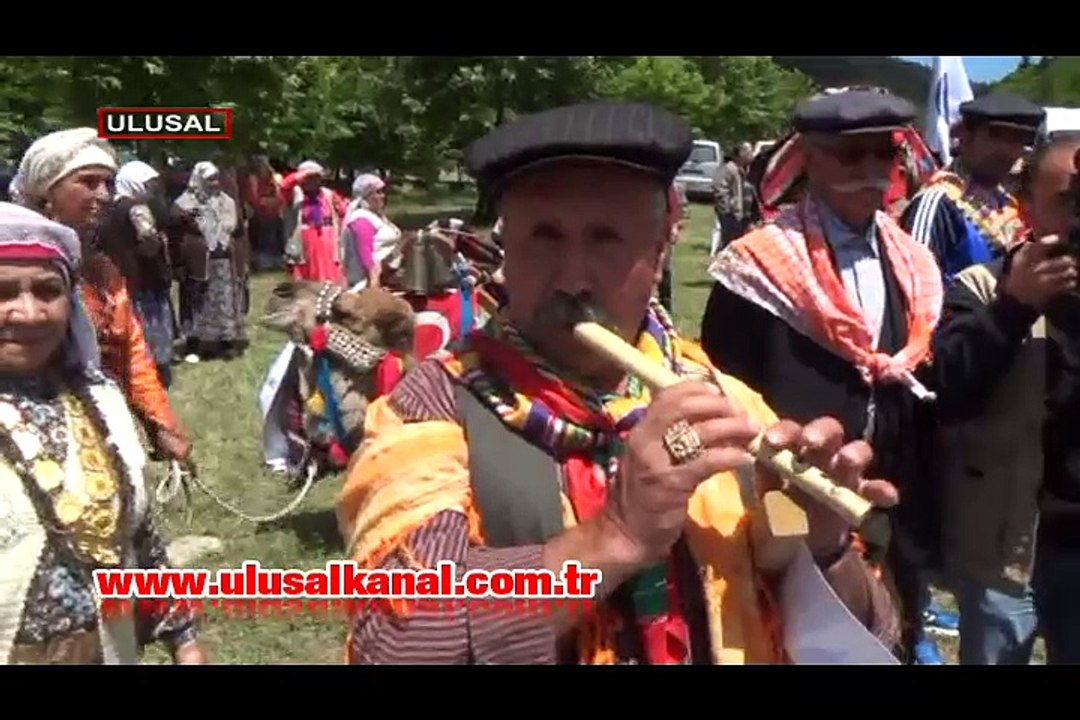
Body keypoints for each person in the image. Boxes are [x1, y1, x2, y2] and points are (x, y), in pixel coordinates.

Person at [338, 101, 900, 665]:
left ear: (658, 254)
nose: (573, 277)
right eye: (544, 236)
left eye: (606, 239)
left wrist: (823, 549)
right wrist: (615, 536)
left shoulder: (726, 402)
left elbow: (866, 639)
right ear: (504, 251)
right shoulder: (433, 406)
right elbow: (394, 638)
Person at [699, 91, 944, 664]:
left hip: (888, 495)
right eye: (849, 156)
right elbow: (724, 385)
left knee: (885, 632)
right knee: (795, 634)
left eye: (883, 154)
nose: (871, 172)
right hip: (791, 494)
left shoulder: (912, 262)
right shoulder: (754, 266)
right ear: (808, 157)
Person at [0, 202, 206, 664]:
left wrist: (184, 634)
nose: (29, 313)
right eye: (4, 292)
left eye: (47, 291)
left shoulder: (100, 401)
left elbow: (139, 537)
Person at [927, 135, 1080, 664]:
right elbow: (948, 388)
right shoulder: (982, 286)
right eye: (1067, 200)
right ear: (1027, 204)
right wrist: (1015, 307)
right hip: (1002, 545)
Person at [14, 129, 191, 464]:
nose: (105, 194)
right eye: (89, 182)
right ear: (46, 192)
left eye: (108, 183)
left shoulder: (100, 271)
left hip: (101, 433)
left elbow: (132, 353)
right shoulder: (11, 269)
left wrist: (162, 423)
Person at [902, 93, 1046, 282]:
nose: (1005, 149)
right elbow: (915, 285)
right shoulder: (936, 203)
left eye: (1017, 139)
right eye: (995, 136)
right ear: (965, 137)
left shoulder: (1009, 204)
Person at [99, 160, 176, 387]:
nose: (151, 189)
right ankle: (155, 371)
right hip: (145, 275)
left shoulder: (109, 207)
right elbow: (148, 238)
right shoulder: (136, 208)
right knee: (151, 323)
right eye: (147, 183)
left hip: (119, 273)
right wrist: (156, 249)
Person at [171, 161, 246, 362]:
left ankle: (226, 342)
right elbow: (175, 232)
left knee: (224, 300)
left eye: (216, 178)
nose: (214, 183)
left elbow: (236, 227)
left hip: (223, 260)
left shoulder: (227, 202)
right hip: (197, 262)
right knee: (198, 301)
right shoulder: (185, 204)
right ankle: (195, 343)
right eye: (209, 179)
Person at [282, 161, 348, 285]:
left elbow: (344, 210)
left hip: (327, 238)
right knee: (306, 280)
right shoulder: (295, 194)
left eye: (316, 177)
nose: (313, 181)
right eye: (308, 178)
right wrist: (304, 173)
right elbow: (284, 185)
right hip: (305, 241)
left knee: (331, 277)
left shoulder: (328, 194)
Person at [342, 173, 402, 290]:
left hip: (389, 273)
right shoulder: (361, 219)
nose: (383, 196)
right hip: (367, 280)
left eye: (383, 192)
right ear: (366, 196)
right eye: (378, 192)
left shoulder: (375, 216)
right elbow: (366, 254)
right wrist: (374, 285)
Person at [712, 141, 756, 255]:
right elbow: (719, 188)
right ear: (741, 153)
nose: (752, 154)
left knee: (737, 241)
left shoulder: (745, 170)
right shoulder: (729, 169)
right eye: (749, 151)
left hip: (742, 214)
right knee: (729, 241)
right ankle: (720, 262)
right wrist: (728, 208)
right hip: (730, 214)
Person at [244, 155, 285, 271]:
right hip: (259, 214)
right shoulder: (253, 178)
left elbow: (280, 197)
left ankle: (276, 260)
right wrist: (265, 202)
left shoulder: (275, 178)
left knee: (275, 233)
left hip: (274, 213)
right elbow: (253, 198)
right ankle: (263, 261)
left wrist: (272, 201)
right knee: (262, 234)